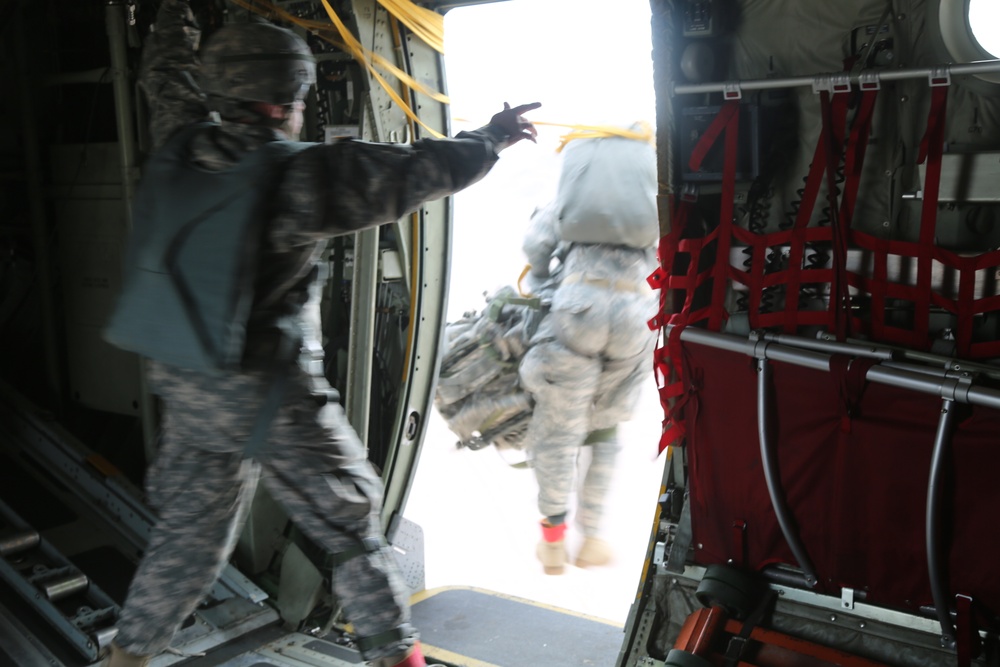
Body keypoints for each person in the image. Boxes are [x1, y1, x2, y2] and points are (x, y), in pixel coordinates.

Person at [99, 1, 539, 665]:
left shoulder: (179, 135)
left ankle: (126, 656)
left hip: (186, 381)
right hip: (266, 389)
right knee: (351, 525)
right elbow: (418, 171)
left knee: (187, 538)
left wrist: (174, 16)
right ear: (285, 102)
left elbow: (165, 70)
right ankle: (396, 655)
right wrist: (494, 136)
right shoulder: (299, 176)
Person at [516, 130, 658, 575]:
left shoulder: (575, 194)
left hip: (578, 309)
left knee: (560, 431)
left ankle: (553, 542)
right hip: (635, 318)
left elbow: (535, 246)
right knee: (603, 431)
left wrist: (543, 279)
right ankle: (592, 538)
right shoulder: (650, 196)